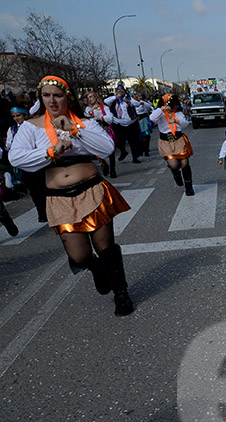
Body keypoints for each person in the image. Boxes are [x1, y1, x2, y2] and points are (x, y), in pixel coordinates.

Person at [9, 75, 134, 316]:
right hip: (59, 197)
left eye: (58, 95)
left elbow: (107, 148)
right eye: (46, 95)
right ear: (41, 98)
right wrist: (50, 151)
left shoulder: (85, 122)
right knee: (79, 256)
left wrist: (75, 130)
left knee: (105, 246)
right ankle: (95, 267)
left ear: (68, 97)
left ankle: (121, 293)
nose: (52, 101)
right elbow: (17, 158)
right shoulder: (30, 127)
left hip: (91, 190)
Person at [149, 94, 195, 196]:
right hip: (166, 142)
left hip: (179, 140)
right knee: (174, 165)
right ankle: (175, 173)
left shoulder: (178, 114)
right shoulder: (160, 114)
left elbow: (185, 124)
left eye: (175, 106)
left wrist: (177, 121)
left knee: (184, 163)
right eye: (172, 106)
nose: (174, 108)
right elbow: (152, 118)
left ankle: (189, 187)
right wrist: (162, 109)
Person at [104, 82, 142, 164]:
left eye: (122, 90)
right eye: (118, 90)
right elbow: (105, 101)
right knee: (118, 140)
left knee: (133, 141)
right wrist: (116, 97)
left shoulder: (128, 98)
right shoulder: (113, 100)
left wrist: (128, 100)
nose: (120, 91)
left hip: (131, 123)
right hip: (118, 123)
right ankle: (123, 151)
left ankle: (135, 157)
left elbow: (137, 104)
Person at [83, 91, 117, 179]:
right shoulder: (87, 109)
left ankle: (113, 170)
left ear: (96, 97)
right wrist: (91, 112)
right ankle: (104, 164)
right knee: (97, 148)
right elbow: (85, 119)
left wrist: (100, 118)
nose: (90, 99)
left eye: (91, 97)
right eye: (88, 97)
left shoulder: (104, 107)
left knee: (110, 150)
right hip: (95, 131)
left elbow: (110, 118)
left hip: (105, 128)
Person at [131, 91, 154, 158]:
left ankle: (146, 149)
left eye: (137, 94)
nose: (136, 96)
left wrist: (142, 102)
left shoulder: (142, 102)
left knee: (146, 135)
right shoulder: (131, 103)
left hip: (143, 120)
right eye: (135, 95)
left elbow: (149, 108)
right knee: (139, 137)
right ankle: (141, 149)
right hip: (136, 120)